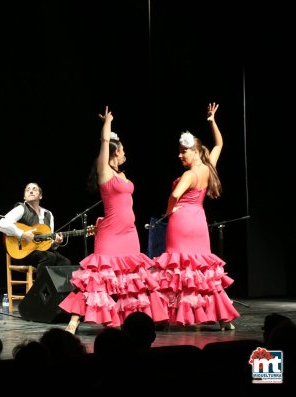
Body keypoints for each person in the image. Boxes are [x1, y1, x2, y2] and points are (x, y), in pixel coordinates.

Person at [58, 106, 168, 334]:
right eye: (123, 149)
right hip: (110, 233)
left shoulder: (122, 175)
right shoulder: (104, 171)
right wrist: (107, 122)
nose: (125, 152)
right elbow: (104, 141)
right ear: (114, 152)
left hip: (129, 234)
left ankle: (127, 320)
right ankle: (75, 319)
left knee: (129, 280)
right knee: (98, 278)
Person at [152, 102, 240, 330]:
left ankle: (174, 316)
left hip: (181, 223)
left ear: (195, 151)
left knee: (178, 269)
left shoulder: (190, 174)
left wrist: (170, 211)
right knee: (203, 270)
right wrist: (213, 122)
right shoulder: (209, 168)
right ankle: (224, 318)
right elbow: (219, 143)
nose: (179, 155)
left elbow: (174, 194)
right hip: (199, 222)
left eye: (183, 152)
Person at [0, 182, 72, 278]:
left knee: (65, 263)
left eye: (34, 189)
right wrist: (22, 234)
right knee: (49, 257)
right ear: (24, 197)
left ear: (40, 196)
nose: (31, 191)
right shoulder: (21, 209)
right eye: (28, 190)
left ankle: (55, 293)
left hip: (43, 251)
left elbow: (49, 243)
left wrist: (56, 243)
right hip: (23, 252)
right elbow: (1, 223)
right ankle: (37, 292)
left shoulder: (48, 214)